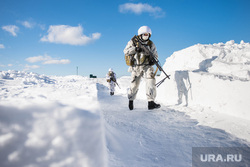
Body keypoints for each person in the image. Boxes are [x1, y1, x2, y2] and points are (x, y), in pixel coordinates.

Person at [123, 26, 161, 110]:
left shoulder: (151, 44)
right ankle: (131, 101)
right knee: (134, 85)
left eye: (148, 34)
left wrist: (153, 60)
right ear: (140, 34)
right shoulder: (133, 41)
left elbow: (155, 54)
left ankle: (151, 102)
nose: (146, 36)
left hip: (147, 66)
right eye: (144, 34)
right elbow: (125, 51)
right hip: (136, 66)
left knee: (151, 81)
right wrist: (135, 49)